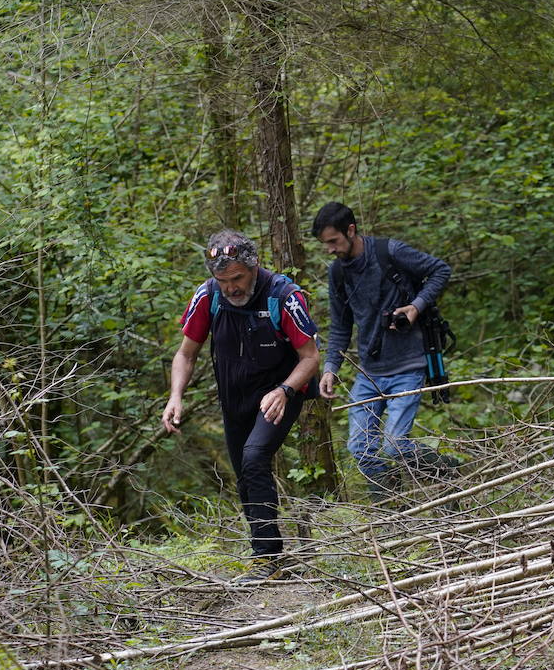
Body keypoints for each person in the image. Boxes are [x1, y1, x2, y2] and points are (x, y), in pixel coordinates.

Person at [161, 230, 320, 582]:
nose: (231, 287)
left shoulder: (284, 296)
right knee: (245, 476)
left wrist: (284, 390)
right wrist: (175, 396)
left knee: (254, 457)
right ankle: (267, 555)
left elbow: (310, 358)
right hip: (235, 398)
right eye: (223, 280)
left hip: (279, 393)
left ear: (254, 266)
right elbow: (185, 354)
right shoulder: (208, 296)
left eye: (237, 278)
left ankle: (267, 560)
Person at [311, 202, 453, 497]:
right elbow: (340, 327)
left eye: (333, 242)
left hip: (408, 366)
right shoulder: (338, 274)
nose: (330, 250)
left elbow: (440, 270)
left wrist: (416, 306)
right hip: (369, 372)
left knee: (395, 445)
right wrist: (330, 369)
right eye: (324, 244)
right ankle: (392, 509)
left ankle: (447, 472)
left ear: (350, 230)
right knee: (360, 447)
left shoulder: (390, 252)